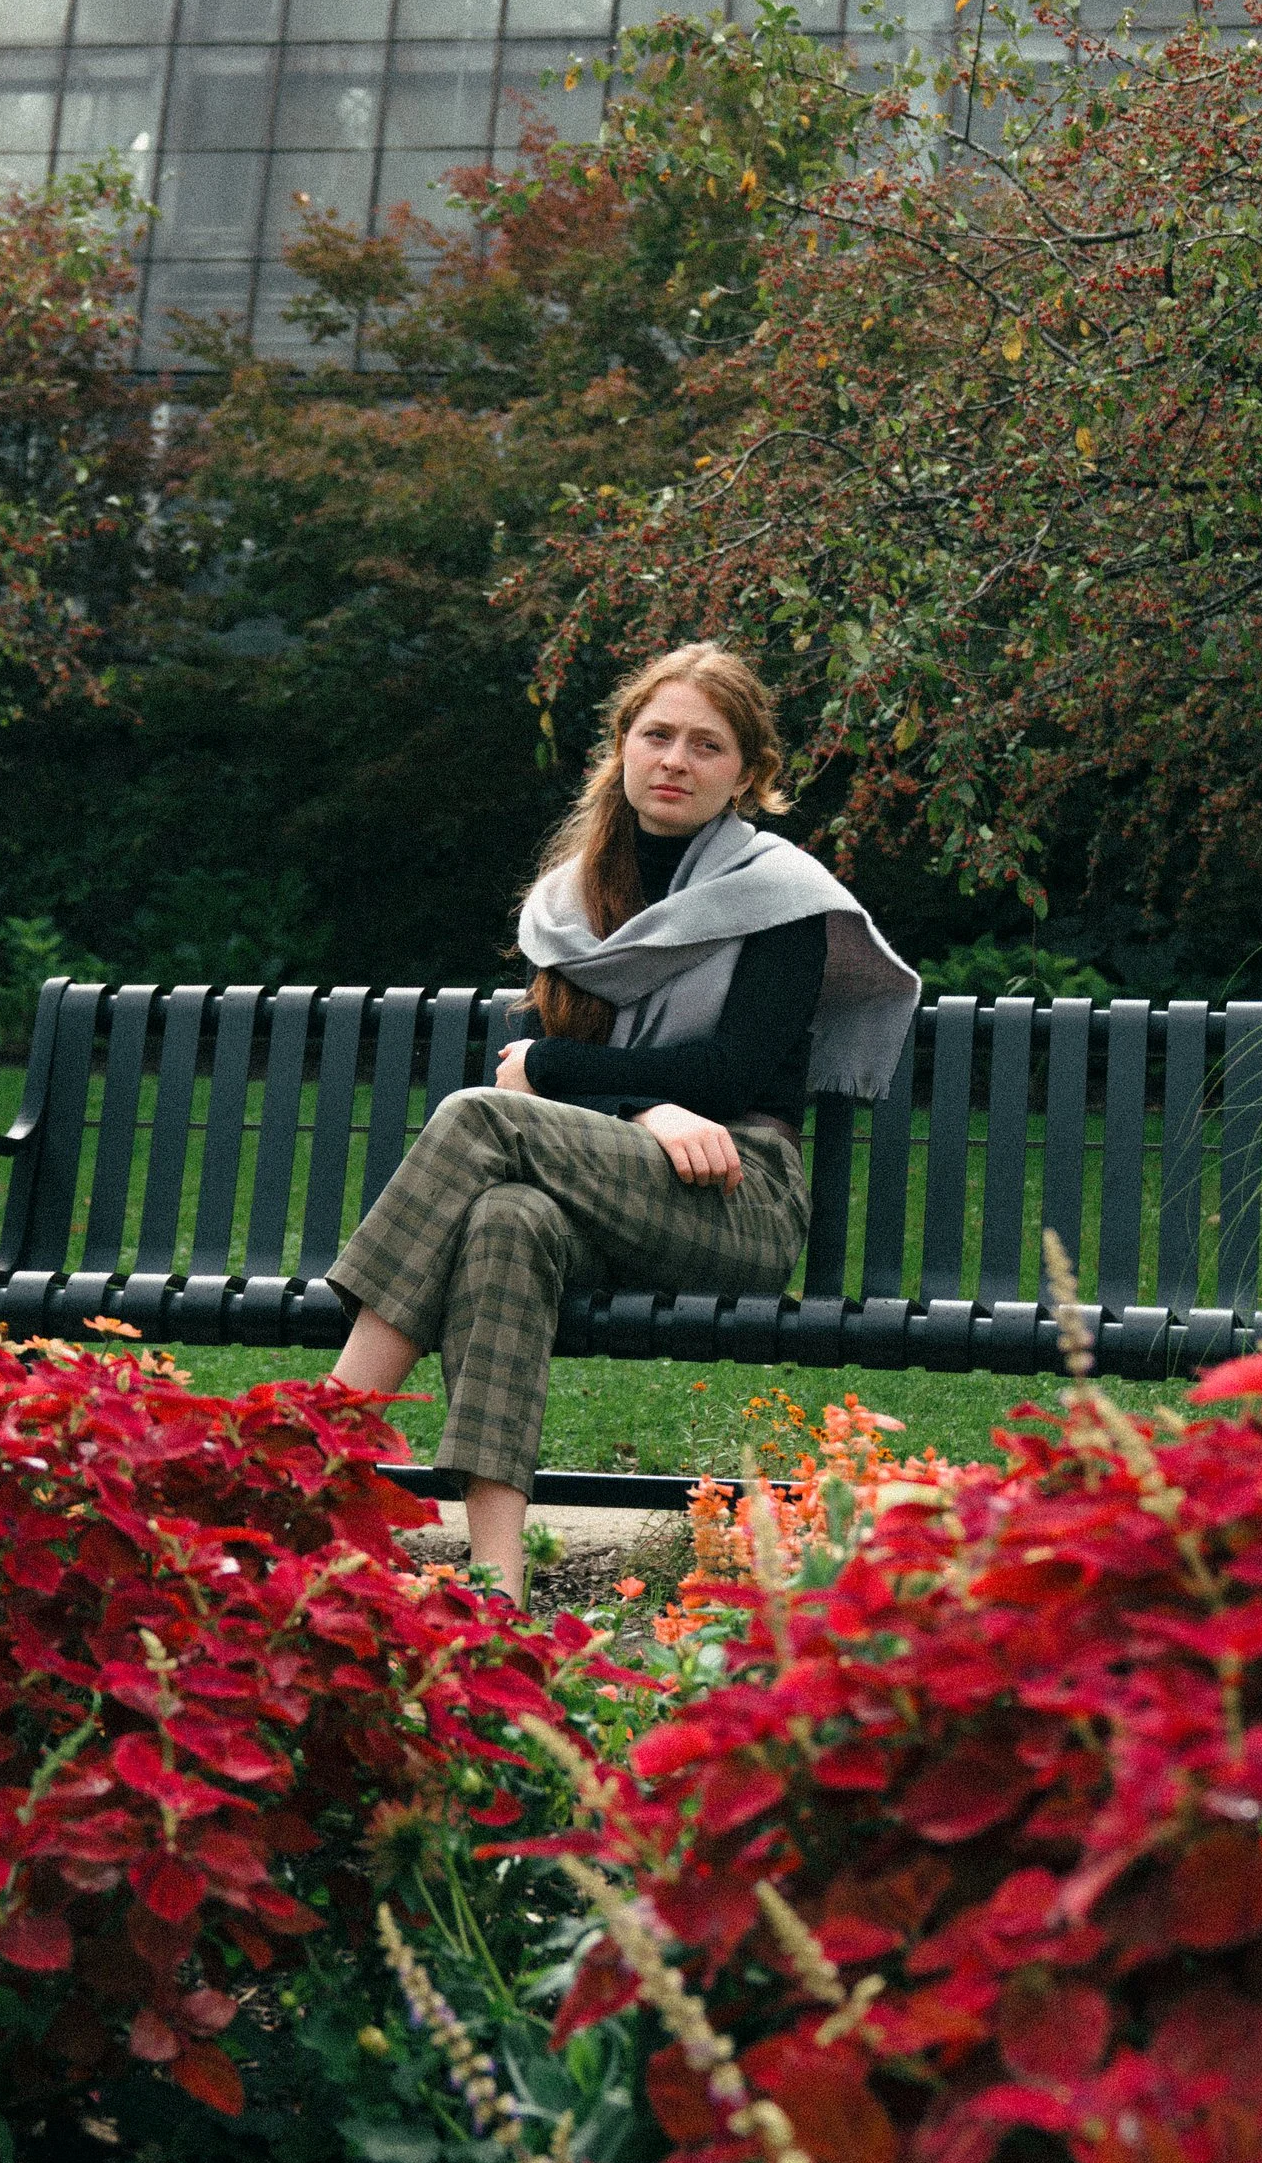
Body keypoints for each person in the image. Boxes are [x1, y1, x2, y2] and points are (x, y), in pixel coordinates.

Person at [324, 640, 918, 1603]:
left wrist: (576, 1071)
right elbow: (550, 1088)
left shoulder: (785, 898)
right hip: (614, 1189)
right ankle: (498, 1586)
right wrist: (644, 1101)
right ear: (623, 746)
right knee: (504, 1220)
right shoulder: (574, 899)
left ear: (748, 774)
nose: (676, 759)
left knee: (478, 1118)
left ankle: (317, 1453)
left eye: (706, 745)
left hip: (738, 1195)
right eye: (657, 735)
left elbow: (719, 1075)